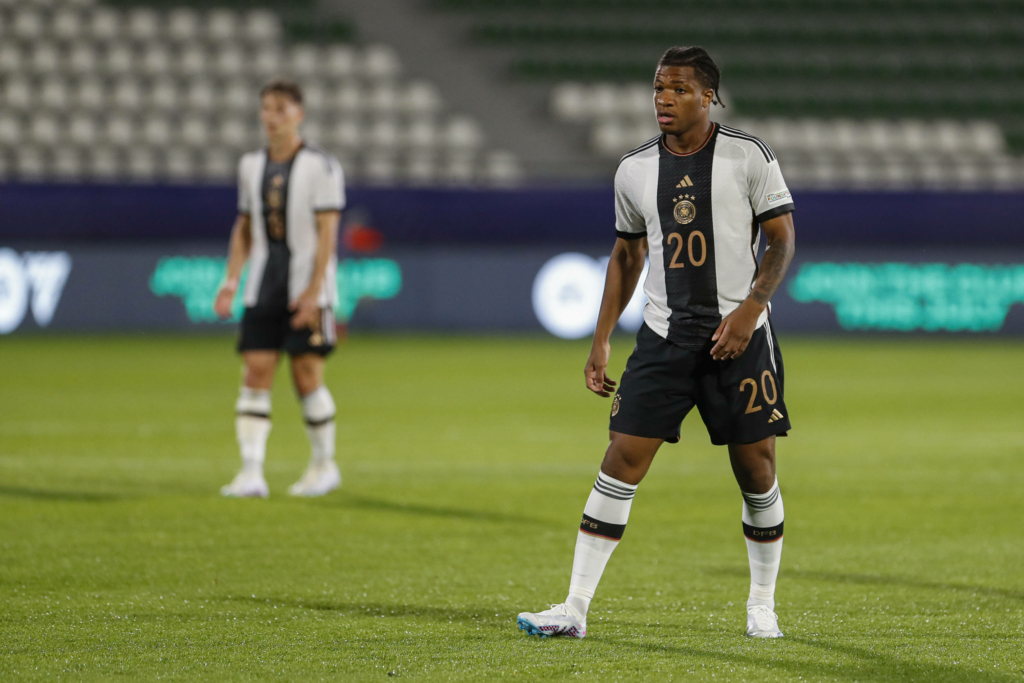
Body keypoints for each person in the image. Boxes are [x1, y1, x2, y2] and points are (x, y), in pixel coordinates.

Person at [516, 46, 796, 639]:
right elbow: (626, 255)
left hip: (737, 338)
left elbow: (781, 240)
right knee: (620, 460)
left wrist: (751, 309)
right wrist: (599, 341)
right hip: (665, 337)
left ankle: (762, 604)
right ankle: (574, 609)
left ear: (708, 96)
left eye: (676, 89)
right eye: (657, 88)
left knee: (756, 471)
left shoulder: (748, 156)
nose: (663, 99)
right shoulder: (635, 169)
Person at [214, 79, 345, 498]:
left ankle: (324, 466)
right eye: (266, 109)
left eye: (281, 109)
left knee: (306, 375)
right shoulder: (250, 165)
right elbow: (245, 227)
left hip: (308, 287)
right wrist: (231, 280)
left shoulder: (321, 166)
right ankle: (251, 473)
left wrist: (313, 292)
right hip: (263, 286)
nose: (271, 117)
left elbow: (328, 235)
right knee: (255, 370)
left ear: (298, 114)